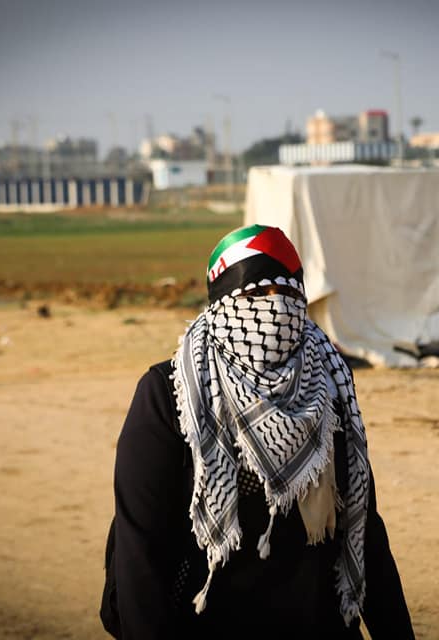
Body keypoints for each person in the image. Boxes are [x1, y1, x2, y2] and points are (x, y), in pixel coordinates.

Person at [100, 225, 414, 639]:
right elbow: (140, 546)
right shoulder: (171, 394)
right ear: (221, 304)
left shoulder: (329, 386)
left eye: (289, 294)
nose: (276, 307)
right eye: (257, 293)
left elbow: (362, 524)